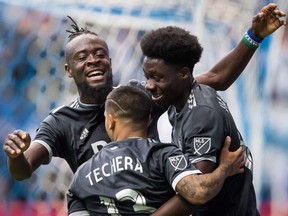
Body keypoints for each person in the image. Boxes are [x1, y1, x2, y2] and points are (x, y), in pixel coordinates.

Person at [2, 3, 285, 182]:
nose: (92, 60)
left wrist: (254, 36)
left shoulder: (137, 97)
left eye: (99, 53)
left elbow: (215, 78)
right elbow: (23, 169)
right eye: (82, 57)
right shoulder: (60, 122)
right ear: (68, 71)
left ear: (110, 61)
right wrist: (16, 157)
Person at [139, 3, 286, 216]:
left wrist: (224, 170)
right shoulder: (182, 91)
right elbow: (218, 77)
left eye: (157, 77)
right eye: (147, 77)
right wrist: (254, 35)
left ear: (183, 74)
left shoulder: (201, 115)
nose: (149, 85)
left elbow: (197, 192)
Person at [66, 85, 245, 215]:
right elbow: (198, 193)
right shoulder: (164, 155)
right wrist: (224, 169)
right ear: (149, 119)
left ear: (111, 120)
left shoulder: (81, 176)